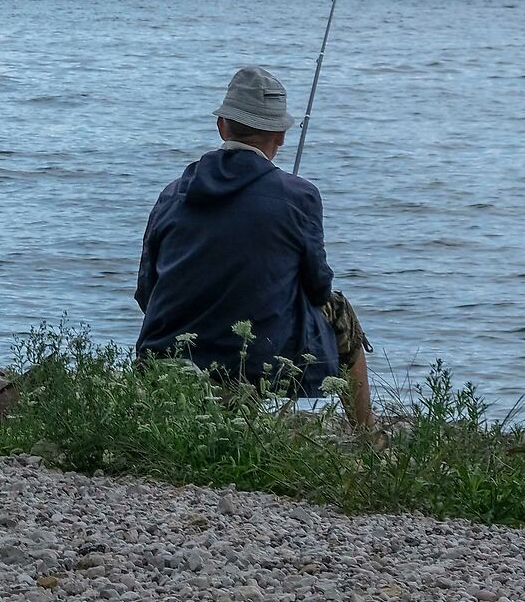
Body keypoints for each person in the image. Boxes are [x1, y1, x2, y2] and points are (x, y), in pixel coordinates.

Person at [133, 64, 374, 426]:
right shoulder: (300, 195)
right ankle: (367, 438)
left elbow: (145, 293)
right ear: (280, 136)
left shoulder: (173, 192)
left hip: (162, 359)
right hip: (254, 362)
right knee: (339, 310)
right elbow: (319, 288)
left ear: (221, 127)